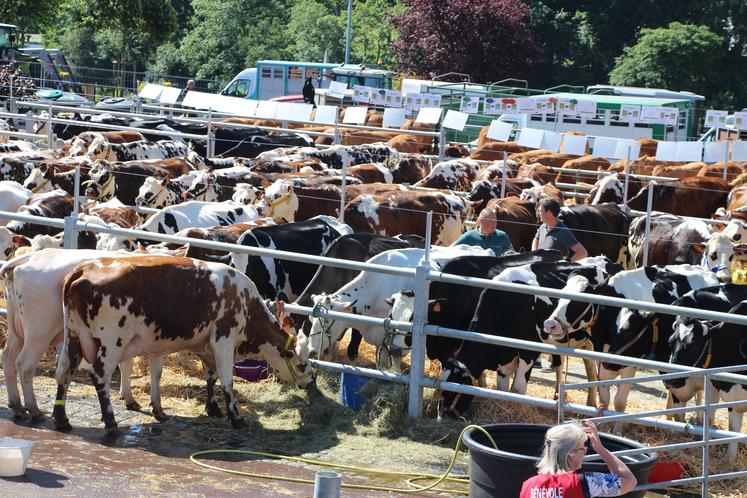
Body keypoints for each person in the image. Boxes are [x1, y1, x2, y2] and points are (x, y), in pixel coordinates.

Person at [520, 420, 637, 498]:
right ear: (571, 453)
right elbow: (630, 481)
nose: (585, 454)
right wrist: (601, 449)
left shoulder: (528, 485)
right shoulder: (585, 482)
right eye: (583, 449)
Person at [532, 197, 588, 261]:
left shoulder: (563, 231)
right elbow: (536, 240)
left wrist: (566, 263)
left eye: (540, 211)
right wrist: (534, 253)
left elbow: (583, 253)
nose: (538, 214)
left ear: (549, 213)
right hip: (540, 267)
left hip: (552, 270)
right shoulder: (543, 226)